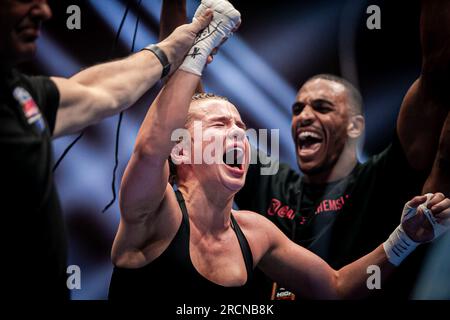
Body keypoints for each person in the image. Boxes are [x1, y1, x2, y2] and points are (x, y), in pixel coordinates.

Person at [107, 0, 450, 302]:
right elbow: (157, 142)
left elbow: (334, 287)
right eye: (221, 126)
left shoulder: (256, 232)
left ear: (355, 125)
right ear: (180, 151)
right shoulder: (156, 212)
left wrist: (405, 239)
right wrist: (197, 42)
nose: (239, 136)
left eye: (241, 128)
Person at [234, 0, 450, 299]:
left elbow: (438, 73)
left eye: (321, 107)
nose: (304, 116)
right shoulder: (269, 181)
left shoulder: (382, 180)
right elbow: (197, 125)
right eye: (297, 109)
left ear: (355, 126)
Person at [0, 0, 214, 299]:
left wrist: (171, 48)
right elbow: (152, 149)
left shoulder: (14, 93)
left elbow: (101, 91)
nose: (45, 12)